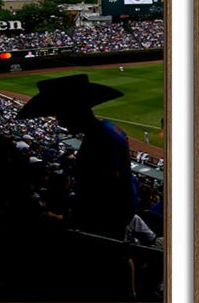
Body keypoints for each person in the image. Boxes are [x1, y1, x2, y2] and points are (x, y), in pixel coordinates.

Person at [18, 73, 134, 239]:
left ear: (73, 111)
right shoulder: (104, 129)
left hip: (105, 224)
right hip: (110, 218)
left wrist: (66, 219)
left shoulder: (101, 138)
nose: (59, 122)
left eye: (60, 114)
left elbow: (105, 191)